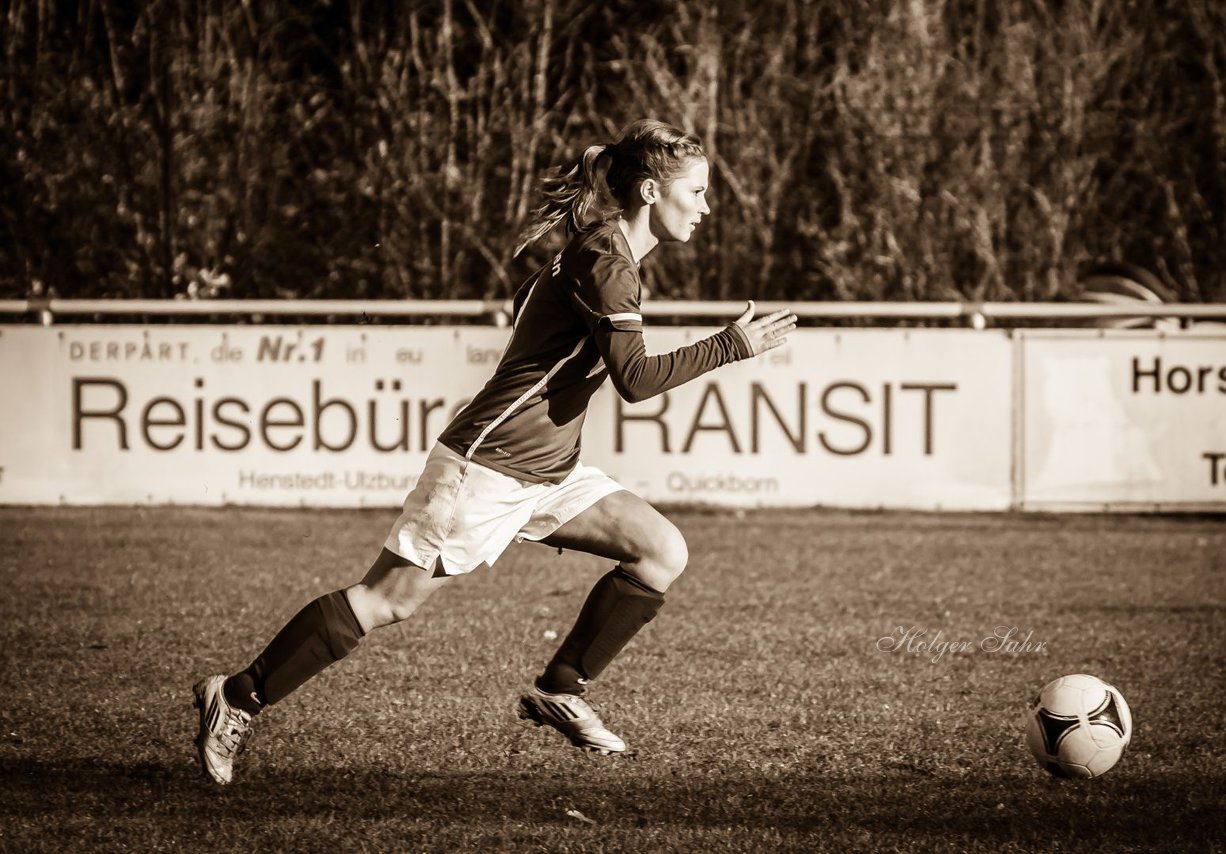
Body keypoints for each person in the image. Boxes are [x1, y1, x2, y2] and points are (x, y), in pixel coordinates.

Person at [192, 118, 797, 785]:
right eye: (700, 191)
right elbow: (636, 379)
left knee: (661, 550)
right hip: (490, 464)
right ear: (653, 191)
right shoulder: (606, 262)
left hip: (546, 468)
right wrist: (730, 345)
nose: (707, 207)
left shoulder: (599, 252)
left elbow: (536, 317)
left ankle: (561, 687)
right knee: (388, 599)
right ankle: (239, 696)